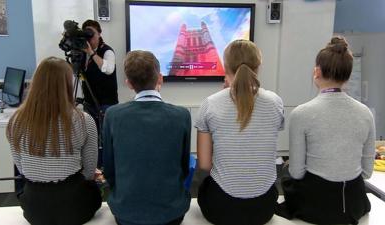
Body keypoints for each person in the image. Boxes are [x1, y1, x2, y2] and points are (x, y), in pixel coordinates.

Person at [277, 36, 375, 225]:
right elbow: (367, 172)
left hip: (316, 205)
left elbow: (297, 173)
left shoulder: (301, 114)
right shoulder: (365, 114)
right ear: (347, 75)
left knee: (288, 175)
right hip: (353, 203)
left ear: (317, 72)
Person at [195, 39, 284, 225]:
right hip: (264, 208)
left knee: (204, 185)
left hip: (221, 209)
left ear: (225, 66)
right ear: (258, 67)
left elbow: (204, 165)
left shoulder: (211, 104)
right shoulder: (275, 102)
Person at [6, 57, 102, 225]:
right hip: (75, 208)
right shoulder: (84, 120)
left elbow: (21, 168)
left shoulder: (16, 121)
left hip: (34, 210)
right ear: (67, 84)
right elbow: (88, 173)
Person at [103, 50, 191, 225]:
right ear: (160, 78)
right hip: (172, 214)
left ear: (128, 83)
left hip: (126, 214)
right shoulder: (181, 115)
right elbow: (184, 167)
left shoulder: (113, 115)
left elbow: (109, 168)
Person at [81, 19, 118, 166]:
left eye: (92, 34)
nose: (90, 38)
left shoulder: (107, 51)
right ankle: (93, 167)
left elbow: (109, 69)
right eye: (87, 35)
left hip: (106, 104)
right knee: (90, 138)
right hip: (89, 102)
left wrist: (91, 53)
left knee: (105, 139)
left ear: (99, 34)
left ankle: (105, 169)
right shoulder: (82, 51)